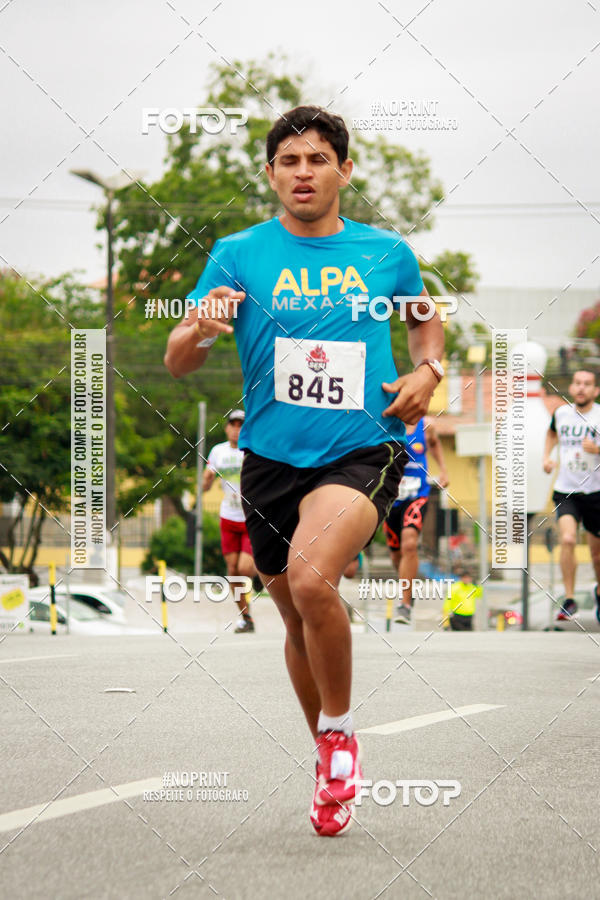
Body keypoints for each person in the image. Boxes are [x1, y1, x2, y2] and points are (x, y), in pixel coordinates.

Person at [164, 105, 444, 836]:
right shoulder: (237, 254)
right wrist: (200, 328)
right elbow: (179, 358)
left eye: (317, 159)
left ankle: (341, 731)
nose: (303, 172)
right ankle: (325, 751)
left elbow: (424, 318)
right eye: (289, 161)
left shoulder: (387, 253)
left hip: (363, 448)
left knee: (315, 579)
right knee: (293, 614)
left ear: (343, 171)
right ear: (270, 174)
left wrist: (429, 370)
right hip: (269, 460)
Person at [543, 369, 600, 623]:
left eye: (587, 384)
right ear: (572, 387)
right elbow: (551, 434)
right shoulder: (561, 414)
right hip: (567, 490)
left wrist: (597, 449)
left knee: (596, 556)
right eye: (577, 383)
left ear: (595, 390)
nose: (581, 388)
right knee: (567, 539)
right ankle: (569, 599)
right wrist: (547, 457)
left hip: (596, 492)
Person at [383, 416, 449, 624]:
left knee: (410, 544)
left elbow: (434, 444)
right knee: (396, 554)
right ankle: (408, 589)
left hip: (417, 494)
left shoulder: (426, 425)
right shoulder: (385, 421)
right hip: (391, 496)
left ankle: (405, 605)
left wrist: (443, 470)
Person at [203, 409, 257, 633]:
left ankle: (262, 570)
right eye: (232, 425)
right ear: (226, 428)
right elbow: (206, 481)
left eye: (240, 425)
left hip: (250, 517)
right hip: (228, 516)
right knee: (233, 570)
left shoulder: (253, 449)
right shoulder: (218, 451)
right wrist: (206, 480)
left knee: (245, 568)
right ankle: (246, 617)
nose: (236, 430)